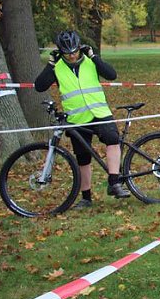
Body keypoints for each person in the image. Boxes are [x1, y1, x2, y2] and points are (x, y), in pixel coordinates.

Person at [34, 30, 130, 208]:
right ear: (61, 52)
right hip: (77, 118)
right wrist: (50, 65)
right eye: (67, 53)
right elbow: (39, 86)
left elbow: (112, 75)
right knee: (83, 158)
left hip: (99, 112)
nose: (71, 56)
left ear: (80, 48)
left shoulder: (90, 61)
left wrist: (95, 57)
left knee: (112, 139)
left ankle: (114, 182)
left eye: (74, 51)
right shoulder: (57, 67)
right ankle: (86, 197)